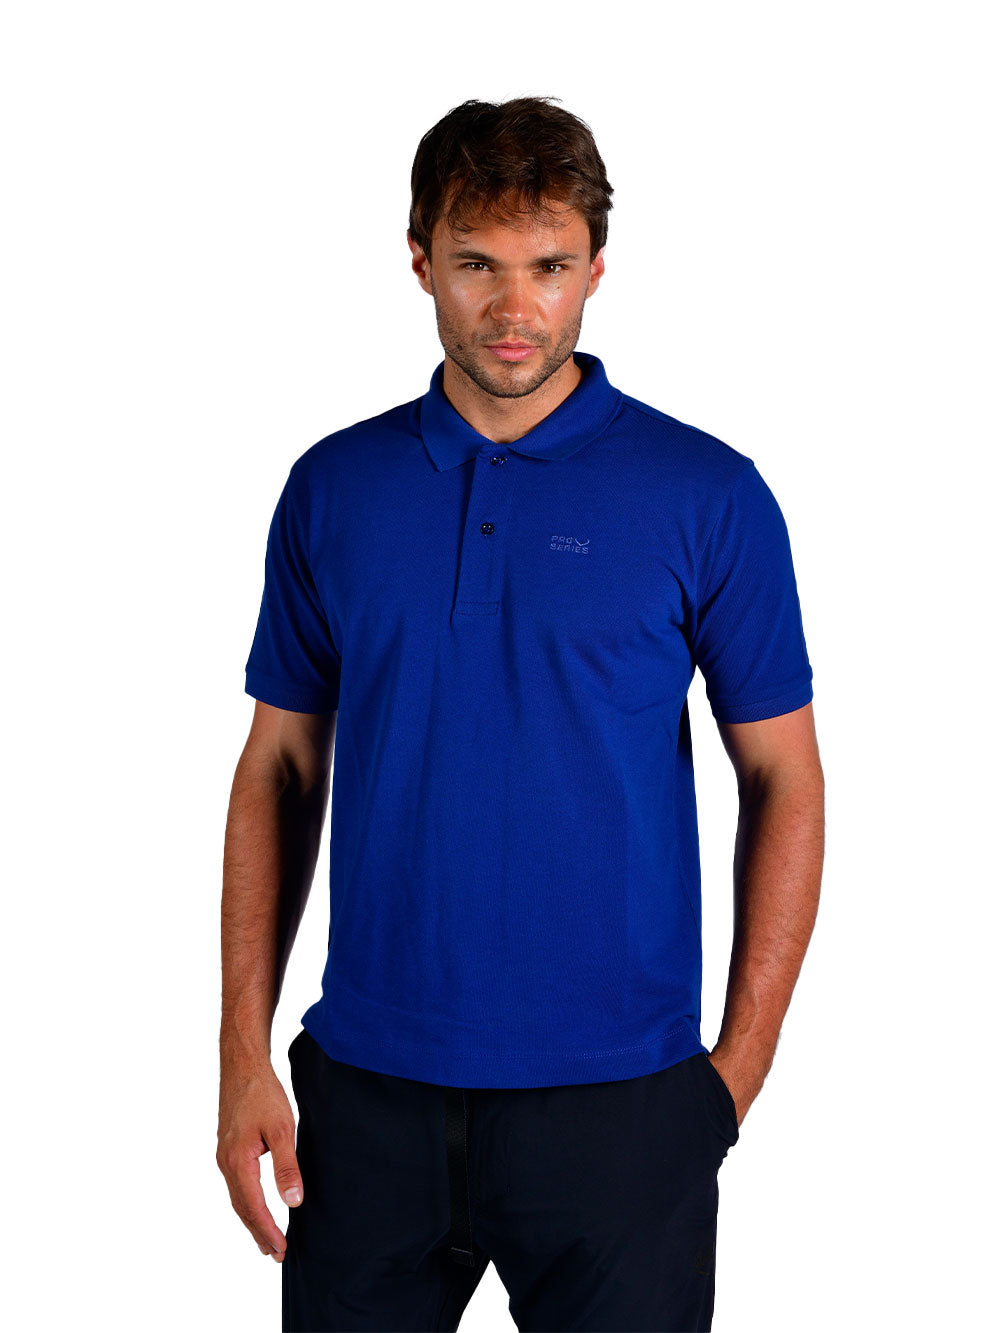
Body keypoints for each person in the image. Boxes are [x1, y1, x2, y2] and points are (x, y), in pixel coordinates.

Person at [217, 95, 825, 1333]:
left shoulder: (708, 495)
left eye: (547, 266)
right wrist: (241, 1055)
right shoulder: (333, 488)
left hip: (621, 1102)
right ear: (418, 262)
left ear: (595, 267)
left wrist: (733, 1076)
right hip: (366, 1096)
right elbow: (278, 765)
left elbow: (785, 778)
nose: (513, 307)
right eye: (476, 264)